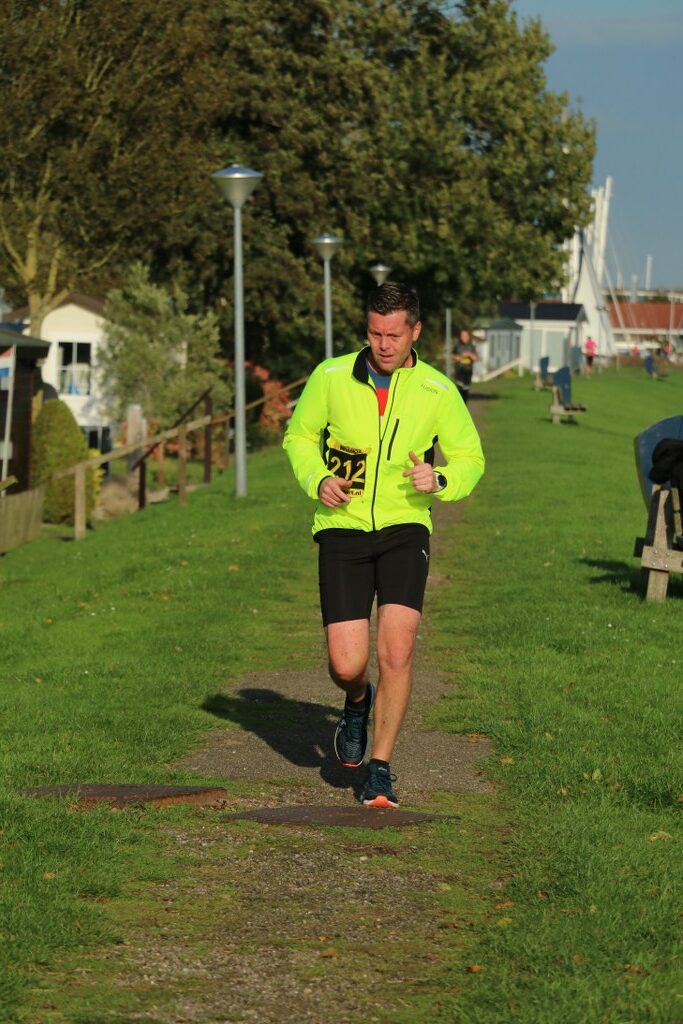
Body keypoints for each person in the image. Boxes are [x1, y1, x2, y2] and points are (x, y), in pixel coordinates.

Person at [283, 282, 484, 808]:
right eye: (375, 333)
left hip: (405, 528)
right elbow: (298, 437)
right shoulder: (330, 377)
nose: (384, 344)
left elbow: (470, 458)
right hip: (342, 527)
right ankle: (356, 700)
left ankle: (380, 768)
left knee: (397, 650)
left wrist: (440, 479)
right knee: (346, 663)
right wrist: (317, 479)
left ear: (415, 331)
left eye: (394, 335)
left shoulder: (437, 390)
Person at [453, 328, 479, 403]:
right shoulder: (457, 346)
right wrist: (458, 357)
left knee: (466, 389)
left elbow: (476, 358)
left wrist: (469, 354)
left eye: (465, 336)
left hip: (468, 371)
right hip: (459, 370)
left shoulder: (471, 346)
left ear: (468, 336)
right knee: (460, 389)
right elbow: (452, 356)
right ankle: (459, 403)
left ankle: (464, 404)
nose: (463, 337)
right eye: (462, 336)